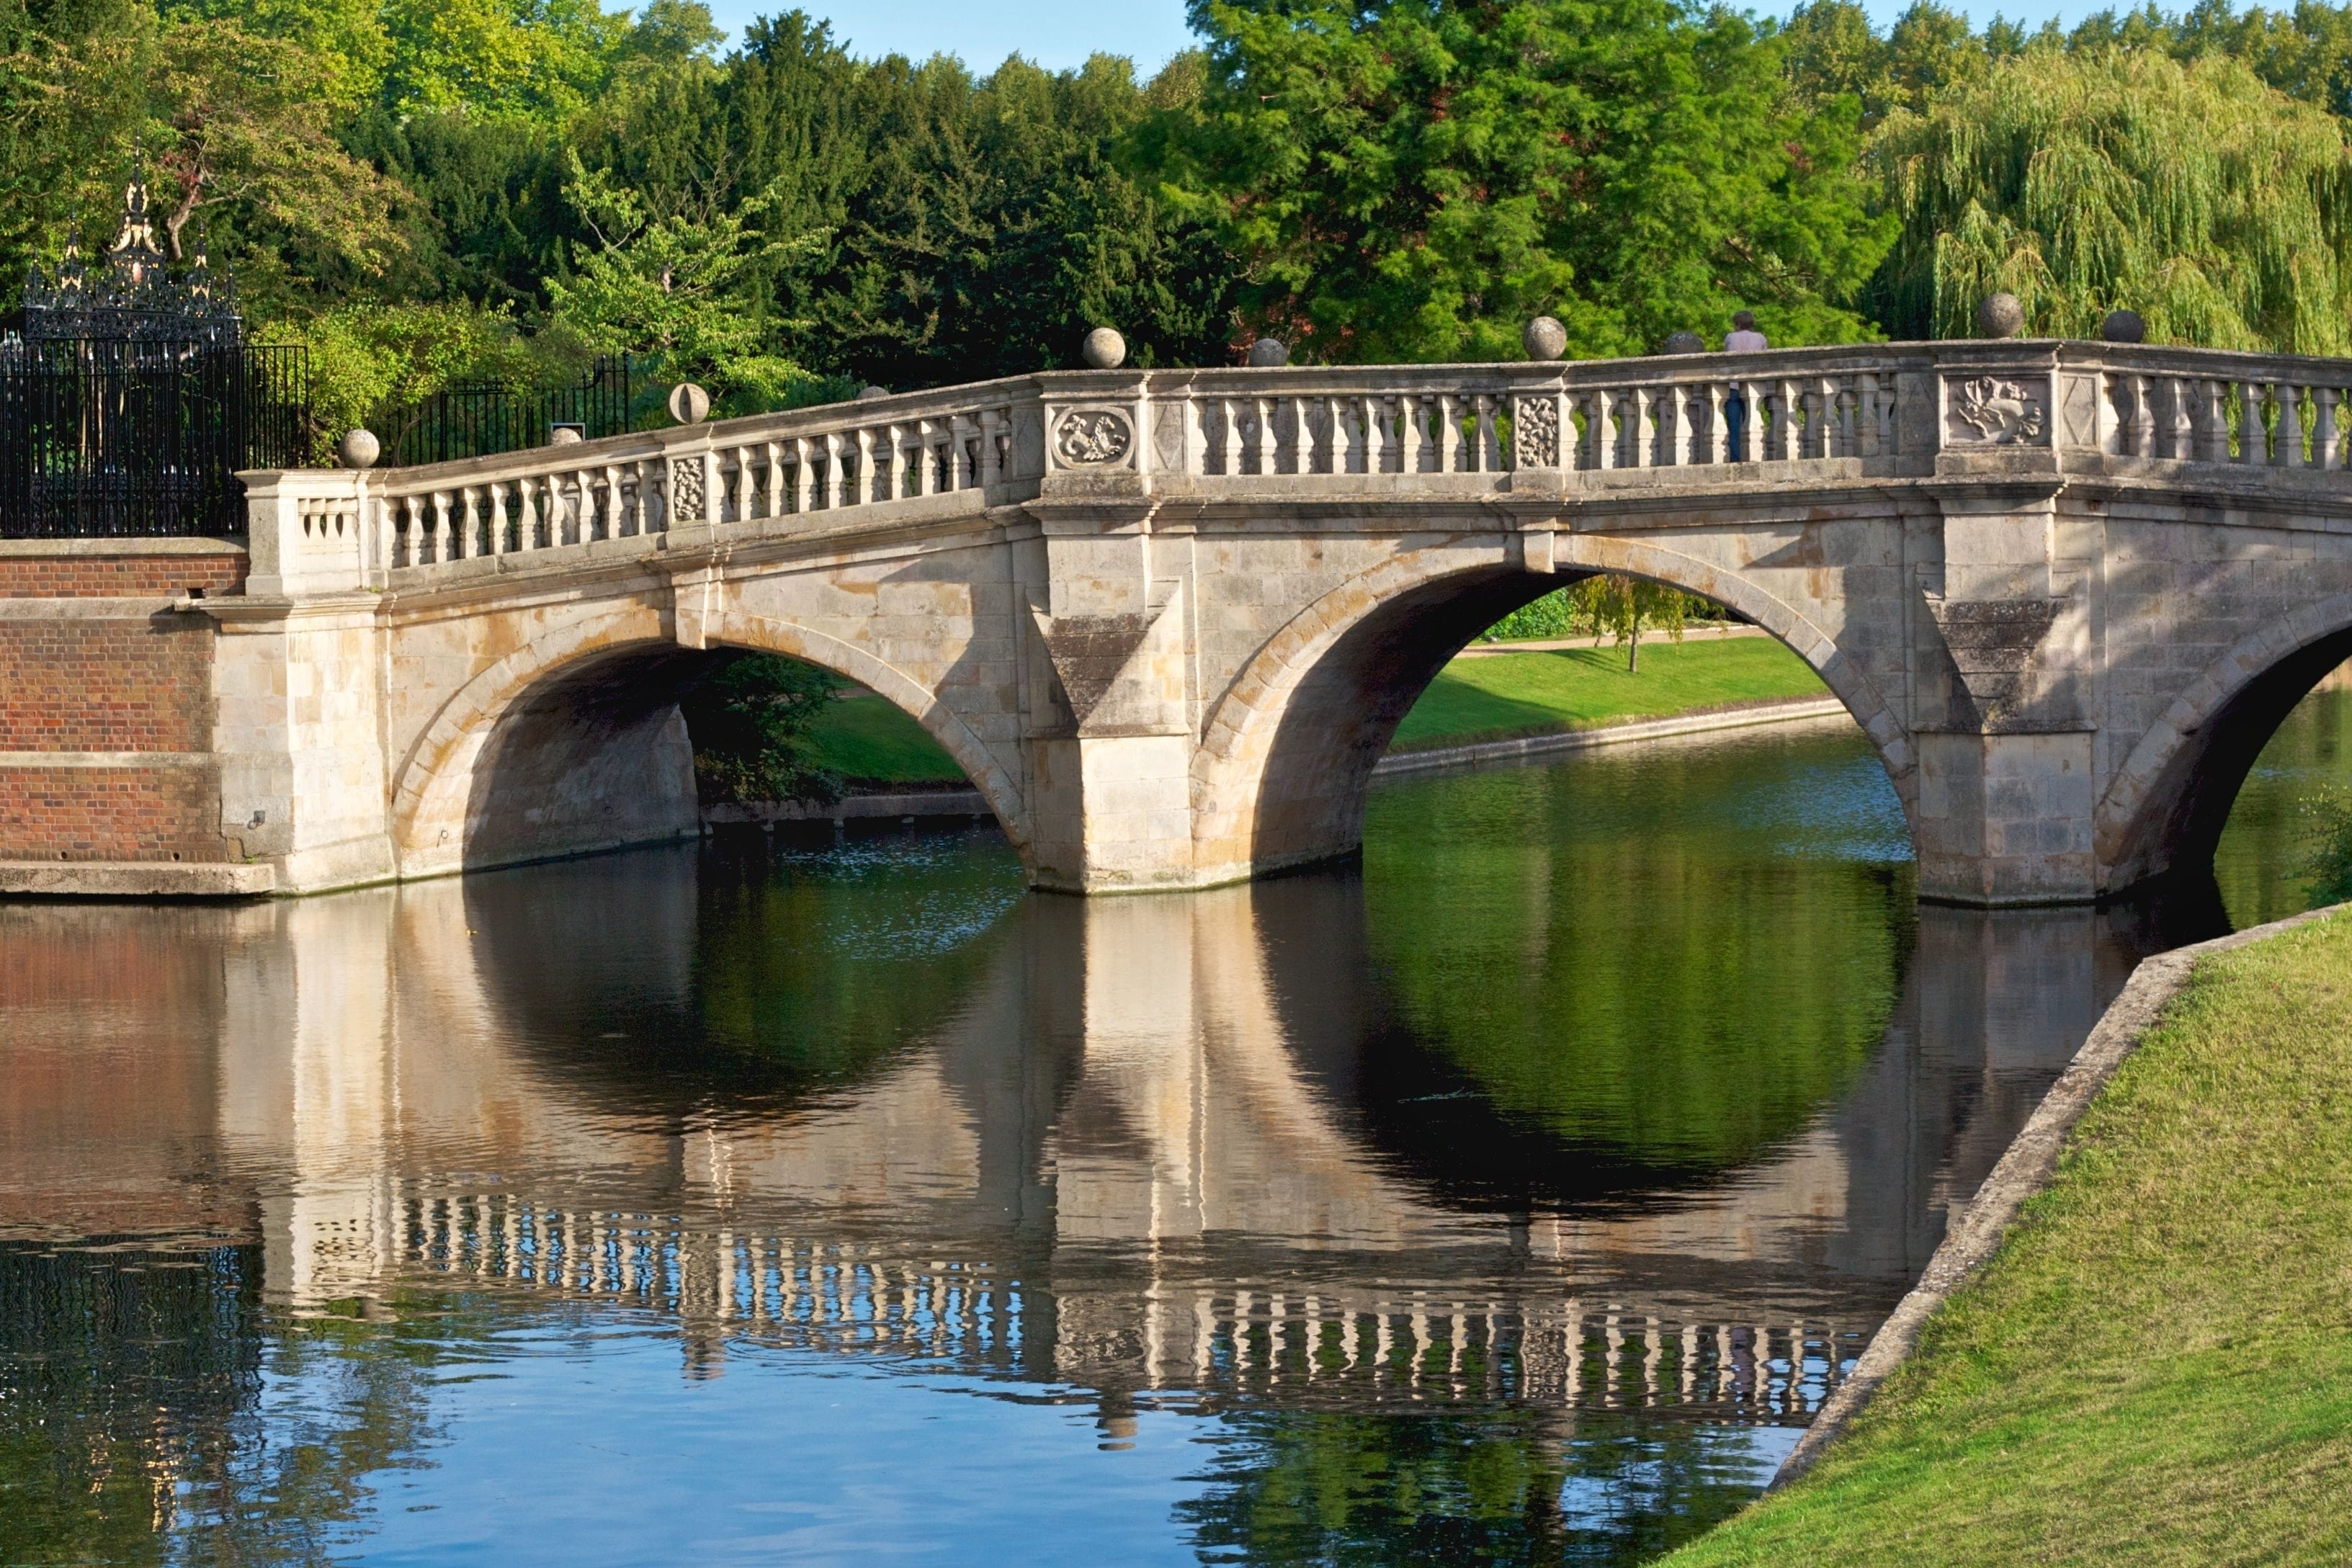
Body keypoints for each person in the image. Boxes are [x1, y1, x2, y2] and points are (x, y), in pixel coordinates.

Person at [1722, 310, 1768, 458]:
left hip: (1734, 386)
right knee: (1753, 422)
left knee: (1734, 427)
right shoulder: (1760, 338)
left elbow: (1726, 357)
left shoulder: (1730, 337)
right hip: (1754, 386)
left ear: (1738, 324)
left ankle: (1736, 458)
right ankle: (1755, 456)